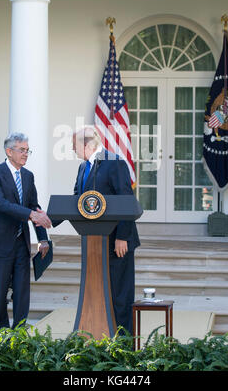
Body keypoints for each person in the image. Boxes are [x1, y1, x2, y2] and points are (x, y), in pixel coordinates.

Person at [0, 132, 52, 330]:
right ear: (9, 151)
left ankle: (18, 334)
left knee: (22, 292)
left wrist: (43, 239)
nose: (26, 154)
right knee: (0, 293)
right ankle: (1, 334)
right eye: (22, 150)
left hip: (21, 243)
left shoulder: (28, 176)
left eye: (28, 150)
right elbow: (0, 203)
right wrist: (30, 215)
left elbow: (34, 206)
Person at [72, 126, 140, 335]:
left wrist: (122, 237)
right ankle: (100, 336)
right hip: (94, 242)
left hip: (116, 241)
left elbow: (126, 201)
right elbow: (77, 198)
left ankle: (123, 343)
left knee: (119, 294)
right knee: (99, 293)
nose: (72, 150)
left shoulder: (114, 163)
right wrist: (50, 217)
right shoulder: (84, 167)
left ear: (86, 144)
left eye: (74, 145)